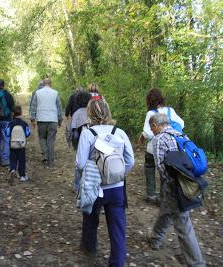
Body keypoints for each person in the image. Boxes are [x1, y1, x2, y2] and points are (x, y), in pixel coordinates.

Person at [76, 99, 134, 267]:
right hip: (117, 189)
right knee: (117, 227)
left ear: (89, 114)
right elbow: (130, 161)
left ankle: (89, 247)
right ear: (108, 112)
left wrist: (89, 176)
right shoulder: (120, 132)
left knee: (90, 217)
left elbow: (80, 163)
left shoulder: (88, 133)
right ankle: (117, 262)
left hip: (94, 187)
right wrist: (118, 175)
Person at [148, 113, 205, 266]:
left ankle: (196, 263)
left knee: (183, 223)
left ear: (155, 125)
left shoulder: (159, 139)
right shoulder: (181, 134)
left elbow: (161, 167)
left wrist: (170, 184)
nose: (151, 131)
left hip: (174, 184)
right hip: (189, 180)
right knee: (166, 209)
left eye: (151, 128)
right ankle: (156, 238)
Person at [138, 88, 184, 205]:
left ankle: (152, 194)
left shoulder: (151, 113)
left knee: (149, 168)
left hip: (153, 148)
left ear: (149, 101)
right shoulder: (170, 110)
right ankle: (164, 196)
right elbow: (182, 124)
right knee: (166, 172)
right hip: (169, 148)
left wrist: (142, 136)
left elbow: (148, 133)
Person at [30, 77, 63, 167]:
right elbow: (59, 108)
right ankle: (51, 160)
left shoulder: (37, 93)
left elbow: (33, 106)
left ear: (43, 84)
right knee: (51, 140)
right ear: (51, 84)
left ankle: (45, 155)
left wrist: (32, 119)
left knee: (42, 138)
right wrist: (60, 120)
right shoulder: (55, 93)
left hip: (41, 119)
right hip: (53, 120)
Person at [71, 91, 91, 192]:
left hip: (79, 140)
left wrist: (74, 144)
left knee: (79, 163)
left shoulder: (76, 113)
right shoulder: (92, 111)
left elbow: (73, 128)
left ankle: (77, 187)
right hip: (92, 140)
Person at [7, 106, 31, 183]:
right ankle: (22, 176)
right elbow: (27, 134)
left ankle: (13, 169)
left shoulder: (10, 123)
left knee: (13, 159)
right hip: (21, 145)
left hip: (12, 145)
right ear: (21, 113)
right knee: (22, 161)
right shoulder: (24, 123)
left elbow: (7, 133)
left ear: (13, 113)